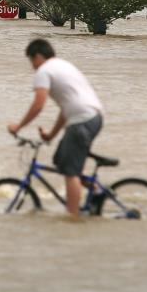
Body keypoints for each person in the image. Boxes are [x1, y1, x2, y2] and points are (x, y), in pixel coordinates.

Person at [7, 38, 104, 215]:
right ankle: (96, 191)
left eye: (31, 61)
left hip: (82, 120)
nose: (32, 67)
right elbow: (65, 109)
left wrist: (18, 126)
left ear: (37, 56)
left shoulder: (44, 71)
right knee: (61, 161)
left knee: (70, 173)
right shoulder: (63, 65)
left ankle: (73, 217)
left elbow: (38, 104)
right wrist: (51, 135)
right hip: (92, 117)